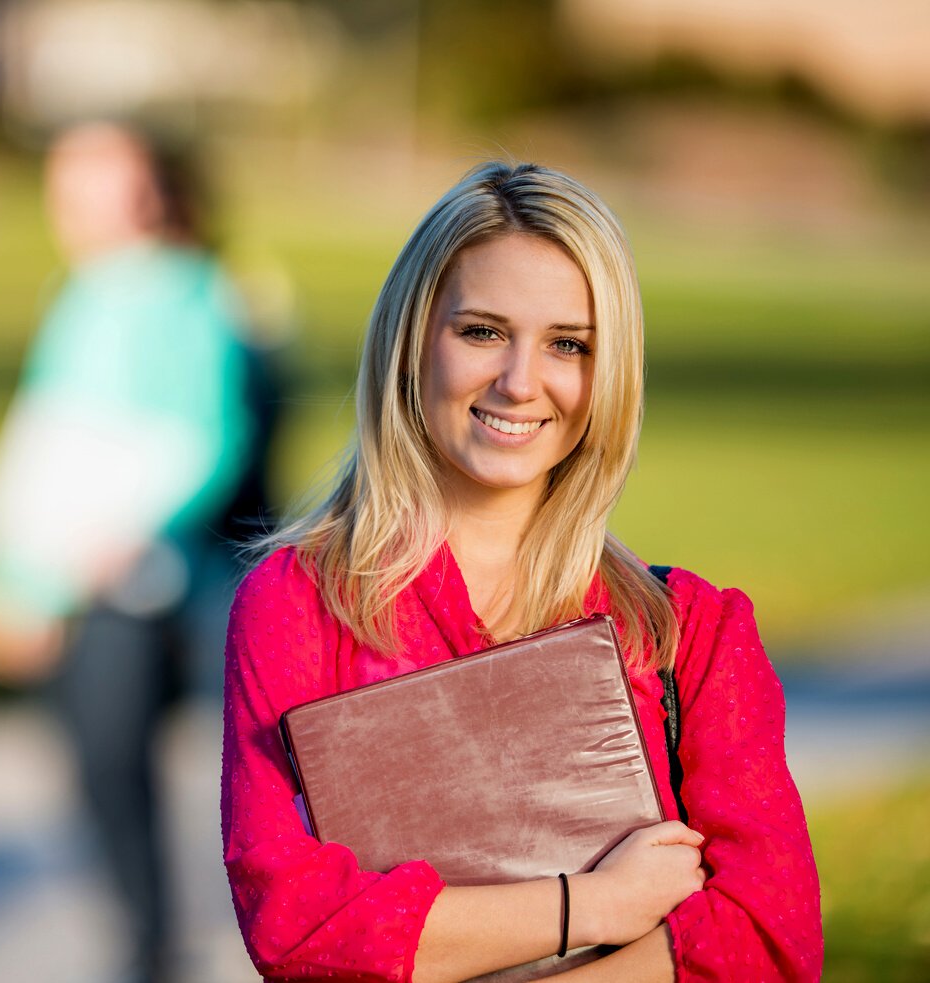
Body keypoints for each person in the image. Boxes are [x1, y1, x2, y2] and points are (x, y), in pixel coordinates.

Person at [220, 162, 822, 982]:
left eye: (568, 344)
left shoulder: (688, 630)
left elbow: (767, 937)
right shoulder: (300, 604)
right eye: (482, 331)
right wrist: (596, 903)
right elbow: (296, 926)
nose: (520, 382)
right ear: (409, 343)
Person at [0, 123, 266, 983]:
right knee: (90, 769)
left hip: (141, 584)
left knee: (124, 757)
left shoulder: (202, 297)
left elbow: (214, 439)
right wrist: (15, 581)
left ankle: (152, 943)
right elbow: (48, 444)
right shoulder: (78, 298)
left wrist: (132, 532)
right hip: (65, 575)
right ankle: (140, 933)